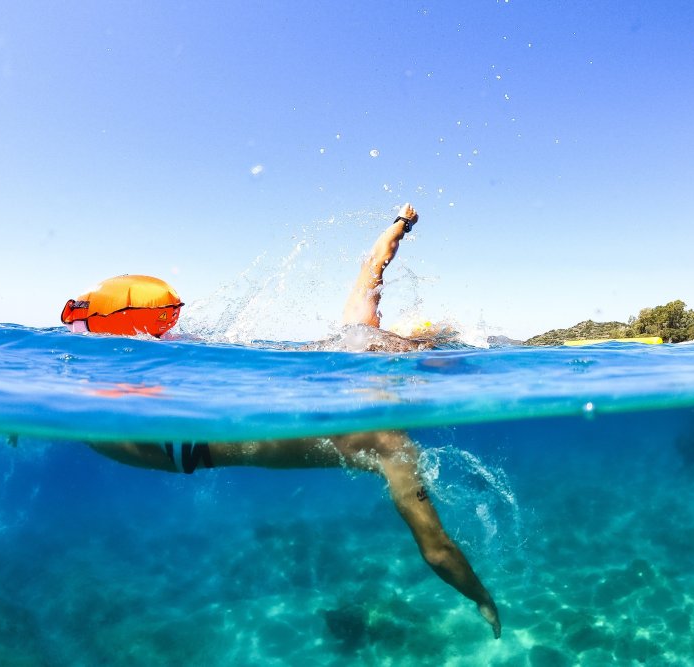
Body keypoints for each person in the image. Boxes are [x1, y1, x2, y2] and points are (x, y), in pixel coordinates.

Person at [89, 204, 502, 638]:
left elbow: (374, 264)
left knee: (105, 402)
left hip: (176, 422)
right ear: (419, 367)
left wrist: (401, 223)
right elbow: (436, 551)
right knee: (99, 426)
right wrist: (481, 597)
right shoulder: (393, 444)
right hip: (181, 450)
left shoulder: (357, 330)